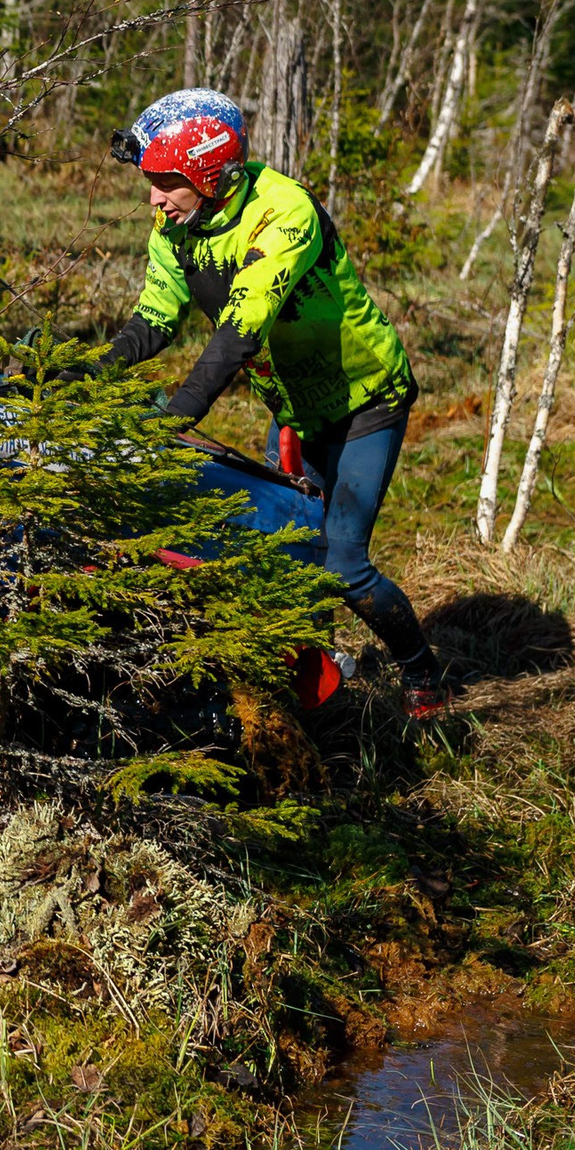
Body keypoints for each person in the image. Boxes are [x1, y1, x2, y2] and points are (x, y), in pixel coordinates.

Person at [105, 88, 447, 720]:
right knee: (283, 546)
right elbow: (154, 318)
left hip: (365, 401)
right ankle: (315, 685)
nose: (152, 197)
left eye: (163, 181)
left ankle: (422, 675)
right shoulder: (176, 224)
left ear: (208, 175)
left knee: (341, 562)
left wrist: (174, 419)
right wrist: (88, 374)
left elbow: (241, 327)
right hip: (292, 406)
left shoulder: (282, 211)